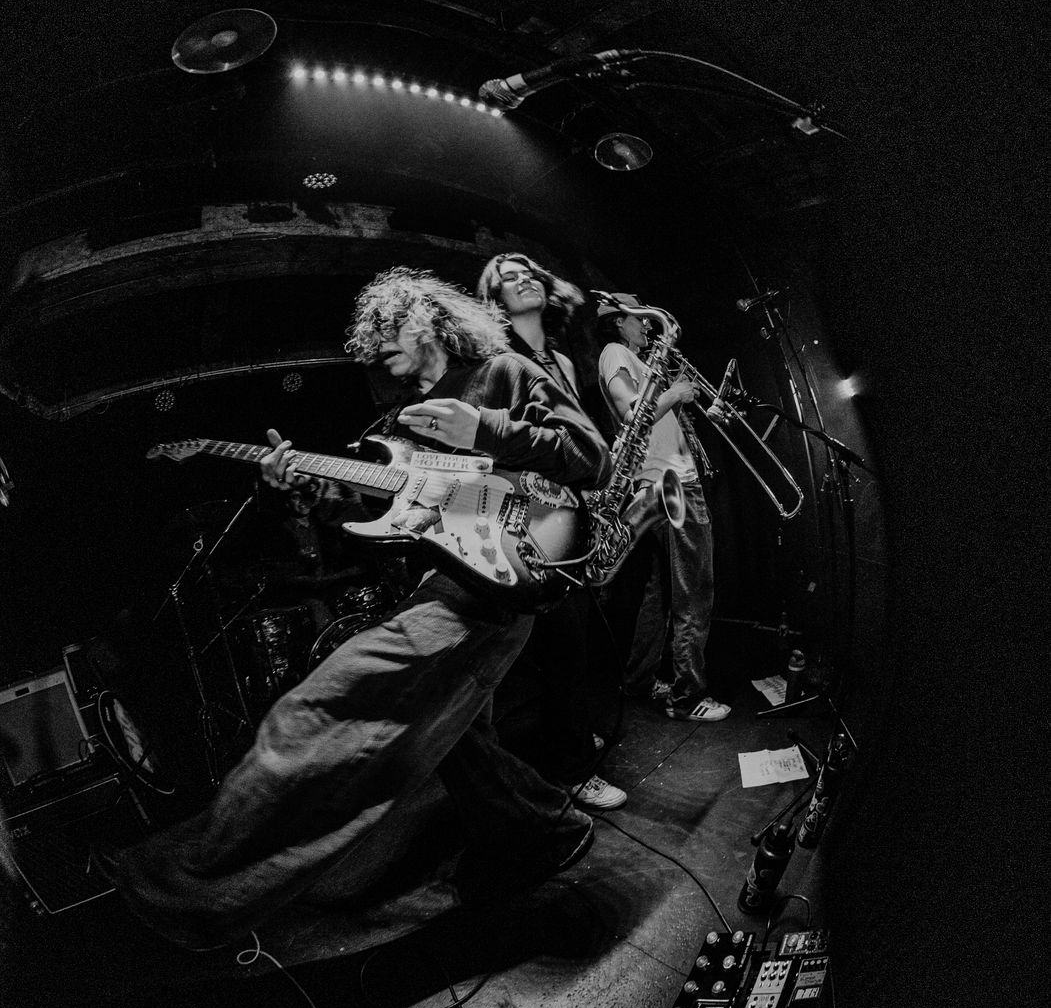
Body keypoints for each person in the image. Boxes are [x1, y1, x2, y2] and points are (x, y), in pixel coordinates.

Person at [93, 267, 610, 950]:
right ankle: (545, 831)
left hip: (489, 583)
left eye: (388, 328)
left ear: (429, 320)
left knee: (310, 714)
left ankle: (180, 886)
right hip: (443, 581)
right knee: (461, 742)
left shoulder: (502, 373)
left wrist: (483, 426)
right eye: (368, 338)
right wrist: (300, 491)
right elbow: (369, 519)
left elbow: (591, 457)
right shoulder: (393, 425)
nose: (376, 345)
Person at [477, 252, 627, 810]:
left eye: (528, 272)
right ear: (494, 300)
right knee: (561, 645)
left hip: (575, 508)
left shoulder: (560, 358)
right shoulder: (497, 361)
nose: (523, 279)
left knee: (578, 640)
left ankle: (571, 735)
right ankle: (570, 769)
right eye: (507, 278)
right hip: (531, 517)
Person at [596, 292, 731, 723]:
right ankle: (688, 697)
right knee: (694, 592)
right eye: (638, 318)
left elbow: (660, 418)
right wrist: (675, 392)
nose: (647, 326)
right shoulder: (615, 352)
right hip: (671, 482)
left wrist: (697, 404)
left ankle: (639, 680)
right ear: (618, 321)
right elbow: (632, 413)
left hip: (662, 480)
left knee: (659, 593)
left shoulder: (639, 362)